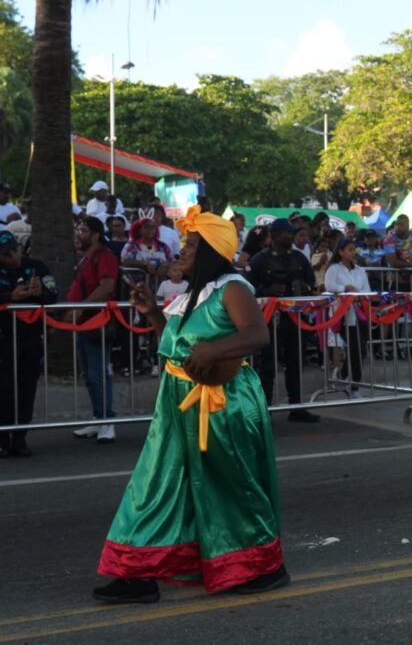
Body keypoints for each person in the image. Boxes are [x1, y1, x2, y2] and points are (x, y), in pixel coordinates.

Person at [92, 204, 288, 603]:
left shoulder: (232, 287)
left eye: (192, 245)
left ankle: (262, 566)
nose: (182, 250)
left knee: (229, 484)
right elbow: (180, 347)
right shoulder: (189, 295)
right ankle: (138, 570)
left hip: (222, 402)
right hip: (177, 404)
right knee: (156, 484)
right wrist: (152, 316)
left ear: (212, 251)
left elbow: (257, 335)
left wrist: (215, 349)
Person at [246, 218, 319, 423]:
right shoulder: (260, 260)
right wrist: (266, 291)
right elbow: (247, 288)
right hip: (270, 320)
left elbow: (311, 281)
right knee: (267, 365)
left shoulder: (298, 258)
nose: (292, 236)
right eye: (288, 233)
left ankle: (296, 406)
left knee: (295, 362)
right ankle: (264, 409)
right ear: (277, 235)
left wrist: (303, 288)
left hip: (295, 318)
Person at [0, 232, 58, 457]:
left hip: (31, 338)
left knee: (27, 388)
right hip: (4, 338)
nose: (10, 257)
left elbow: (53, 294)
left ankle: (20, 437)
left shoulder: (37, 266)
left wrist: (40, 291)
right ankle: (3, 438)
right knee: (4, 389)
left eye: (13, 252)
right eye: (5, 255)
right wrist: (9, 296)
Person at [68, 217, 120, 443]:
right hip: (84, 325)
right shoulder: (85, 260)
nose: (79, 234)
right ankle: (98, 416)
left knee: (98, 373)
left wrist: (81, 307)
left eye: (84, 230)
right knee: (89, 374)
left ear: (96, 235)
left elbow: (107, 286)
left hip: (98, 323)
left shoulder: (105, 257)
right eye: (78, 229)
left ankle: (107, 420)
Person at [324, 239, 371, 396]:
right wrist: (345, 289)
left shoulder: (360, 270)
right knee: (356, 348)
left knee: (360, 350)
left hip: (360, 314)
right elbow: (329, 285)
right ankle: (355, 387)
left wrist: (360, 295)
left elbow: (367, 289)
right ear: (341, 252)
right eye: (349, 249)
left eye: (354, 249)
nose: (353, 253)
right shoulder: (334, 269)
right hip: (343, 315)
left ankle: (342, 375)